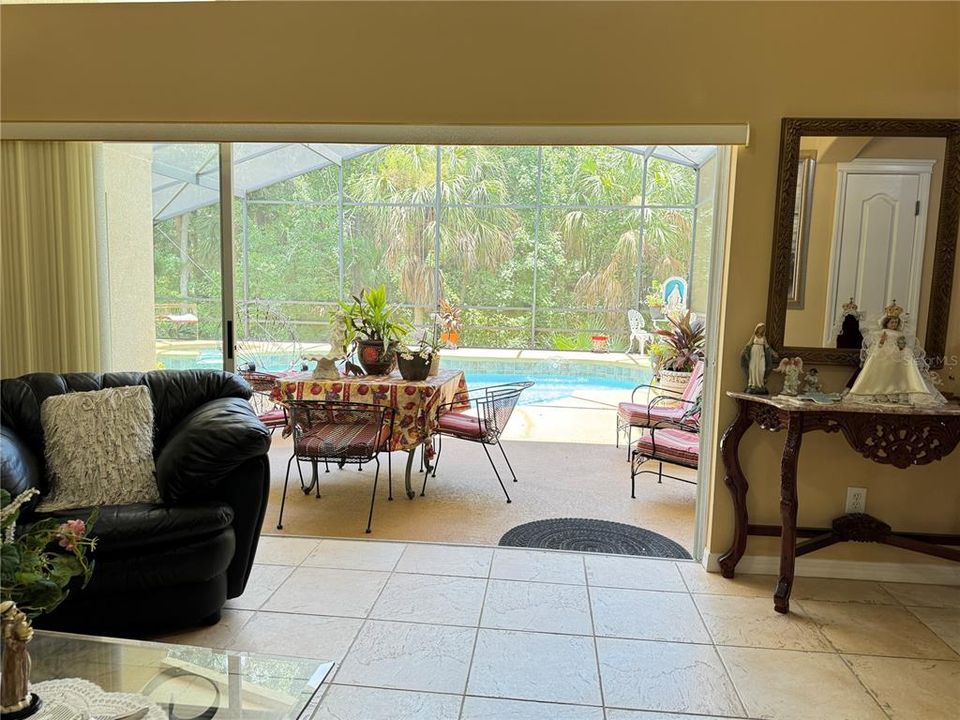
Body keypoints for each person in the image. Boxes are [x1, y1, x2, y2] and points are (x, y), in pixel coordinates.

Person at [846, 302, 944, 406]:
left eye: (896, 323)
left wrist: (902, 346)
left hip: (899, 354)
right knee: (880, 370)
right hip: (884, 353)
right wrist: (882, 342)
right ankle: (876, 391)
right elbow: (879, 343)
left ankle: (902, 390)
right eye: (892, 322)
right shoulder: (883, 332)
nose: (894, 325)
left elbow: (901, 343)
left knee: (905, 367)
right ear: (886, 323)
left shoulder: (899, 333)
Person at [740, 322, 777, 394]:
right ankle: (753, 384)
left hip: (761, 353)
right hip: (754, 352)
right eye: (760, 328)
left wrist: (773, 352)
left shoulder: (763, 338)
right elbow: (749, 343)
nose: (761, 330)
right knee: (753, 368)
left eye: (763, 329)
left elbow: (766, 346)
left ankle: (760, 384)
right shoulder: (754, 336)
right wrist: (744, 350)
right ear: (757, 329)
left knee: (761, 368)